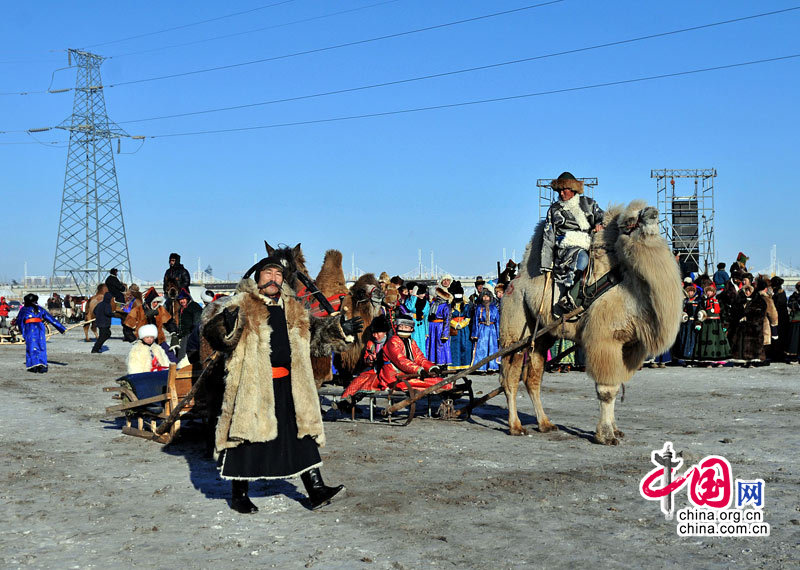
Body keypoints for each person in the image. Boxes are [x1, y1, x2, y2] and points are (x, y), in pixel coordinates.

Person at [202, 252, 358, 514]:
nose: (274, 279)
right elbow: (217, 336)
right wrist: (226, 326)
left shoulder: (294, 308)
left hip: (289, 383)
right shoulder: (241, 304)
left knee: (301, 434)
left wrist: (340, 328)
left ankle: (316, 489)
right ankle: (239, 493)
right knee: (246, 439)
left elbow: (316, 336)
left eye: (278, 275)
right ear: (258, 278)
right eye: (268, 274)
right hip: (254, 384)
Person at [541, 171, 604, 312]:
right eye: (559, 190)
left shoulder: (589, 203)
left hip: (589, 243)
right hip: (566, 250)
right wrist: (546, 265)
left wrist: (601, 224)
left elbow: (602, 216)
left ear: (573, 189)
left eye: (565, 189)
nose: (562, 193)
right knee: (582, 258)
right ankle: (570, 297)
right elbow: (548, 236)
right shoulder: (554, 210)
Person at [377, 313, 447, 391]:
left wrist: (431, 367)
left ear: (411, 329)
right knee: (429, 384)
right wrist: (418, 370)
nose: (403, 328)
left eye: (406, 327)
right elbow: (401, 360)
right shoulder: (393, 342)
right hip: (394, 376)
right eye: (401, 326)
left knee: (436, 381)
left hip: (408, 373)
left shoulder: (411, 342)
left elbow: (419, 358)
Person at [338, 314, 392, 406]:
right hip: (374, 370)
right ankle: (344, 402)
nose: (375, 335)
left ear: (385, 332)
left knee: (370, 381)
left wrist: (379, 359)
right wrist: (369, 360)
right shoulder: (371, 344)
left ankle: (354, 399)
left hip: (388, 372)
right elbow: (366, 360)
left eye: (378, 333)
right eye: (373, 333)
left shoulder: (391, 343)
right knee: (358, 380)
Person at [17, 293, 65, 372]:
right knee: (41, 345)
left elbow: (20, 321)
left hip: (29, 328)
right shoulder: (40, 309)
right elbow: (50, 318)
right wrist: (61, 328)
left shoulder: (24, 309)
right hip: (39, 328)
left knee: (31, 346)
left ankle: (33, 365)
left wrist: (22, 331)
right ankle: (42, 365)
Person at [728, 282, 767, 366]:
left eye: (749, 290)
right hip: (741, 327)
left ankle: (753, 360)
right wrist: (739, 318)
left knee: (753, 345)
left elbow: (760, 313)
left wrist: (749, 318)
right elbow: (733, 312)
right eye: (746, 290)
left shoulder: (759, 300)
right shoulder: (738, 301)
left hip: (754, 328)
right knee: (740, 344)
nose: (747, 292)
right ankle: (740, 360)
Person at [693, 284, 730, 366]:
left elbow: (723, 313)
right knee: (707, 342)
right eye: (707, 291)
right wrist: (698, 323)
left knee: (717, 342)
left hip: (717, 324)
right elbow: (699, 313)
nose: (709, 293)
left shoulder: (719, 301)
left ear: (713, 292)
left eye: (710, 291)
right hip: (706, 324)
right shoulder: (703, 302)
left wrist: (725, 325)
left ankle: (719, 360)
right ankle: (707, 360)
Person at [471, 289, 500, 373]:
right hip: (482, 328)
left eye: (487, 296)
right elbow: (476, 320)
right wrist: (475, 334)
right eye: (484, 296)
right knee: (481, 348)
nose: (485, 298)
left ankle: (492, 366)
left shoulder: (494, 308)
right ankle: (481, 367)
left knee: (492, 348)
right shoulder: (479, 307)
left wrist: (498, 335)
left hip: (492, 329)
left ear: (490, 297)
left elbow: (497, 321)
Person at [426, 281, 452, 367]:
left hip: (440, 327)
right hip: (432, 327)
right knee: (432, 345)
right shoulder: (433, 304)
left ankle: (442, 365)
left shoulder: (445, 306)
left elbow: (447, 320)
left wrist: (445, 334)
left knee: (440, 346)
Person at [448, 281, 473, 370]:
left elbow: (468, 317)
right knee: (454, 347)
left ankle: (465, 365)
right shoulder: (450, 306)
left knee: (465, 346)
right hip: (454, 330)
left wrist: (462, 324)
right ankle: (454, 365)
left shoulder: (466, 306)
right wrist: (455, 324)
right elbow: (448, 317)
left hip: (464, 329)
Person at [175, 288, 202, 362]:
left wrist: (193, 333)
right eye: (180, 300)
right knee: (180, 353)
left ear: (187, 299)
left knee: (184, 355)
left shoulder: (194, 306)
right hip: (183, 335)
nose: (182, 301)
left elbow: (198, 321)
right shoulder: (182, 309)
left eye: (183, 299)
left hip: (190, 334)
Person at [677, 283, 701, 365]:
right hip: (686, 324)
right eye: (689, 291)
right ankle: (686, 358)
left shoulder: (698, 301)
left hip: (694, 323)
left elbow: (700, 312)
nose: (690, 293)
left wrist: (698, 322)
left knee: (693, 340)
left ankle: (693, 358)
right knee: (685, 340)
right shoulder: (685, 301)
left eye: (692, 291)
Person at [768, 276, 789, 363]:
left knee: (777, 337)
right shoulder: (782, 293)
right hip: (783, 318)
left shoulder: (777, 294)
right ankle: (779, 354)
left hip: (778, 318)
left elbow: (776, 306)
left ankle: (777, 355)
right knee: (781, 336)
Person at [787, 282, 800, 362]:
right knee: (794, 340)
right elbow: (790, 305)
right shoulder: (793, 296)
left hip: (795, 319)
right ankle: (793, 357)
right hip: (796, 319)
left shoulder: (793, 296)